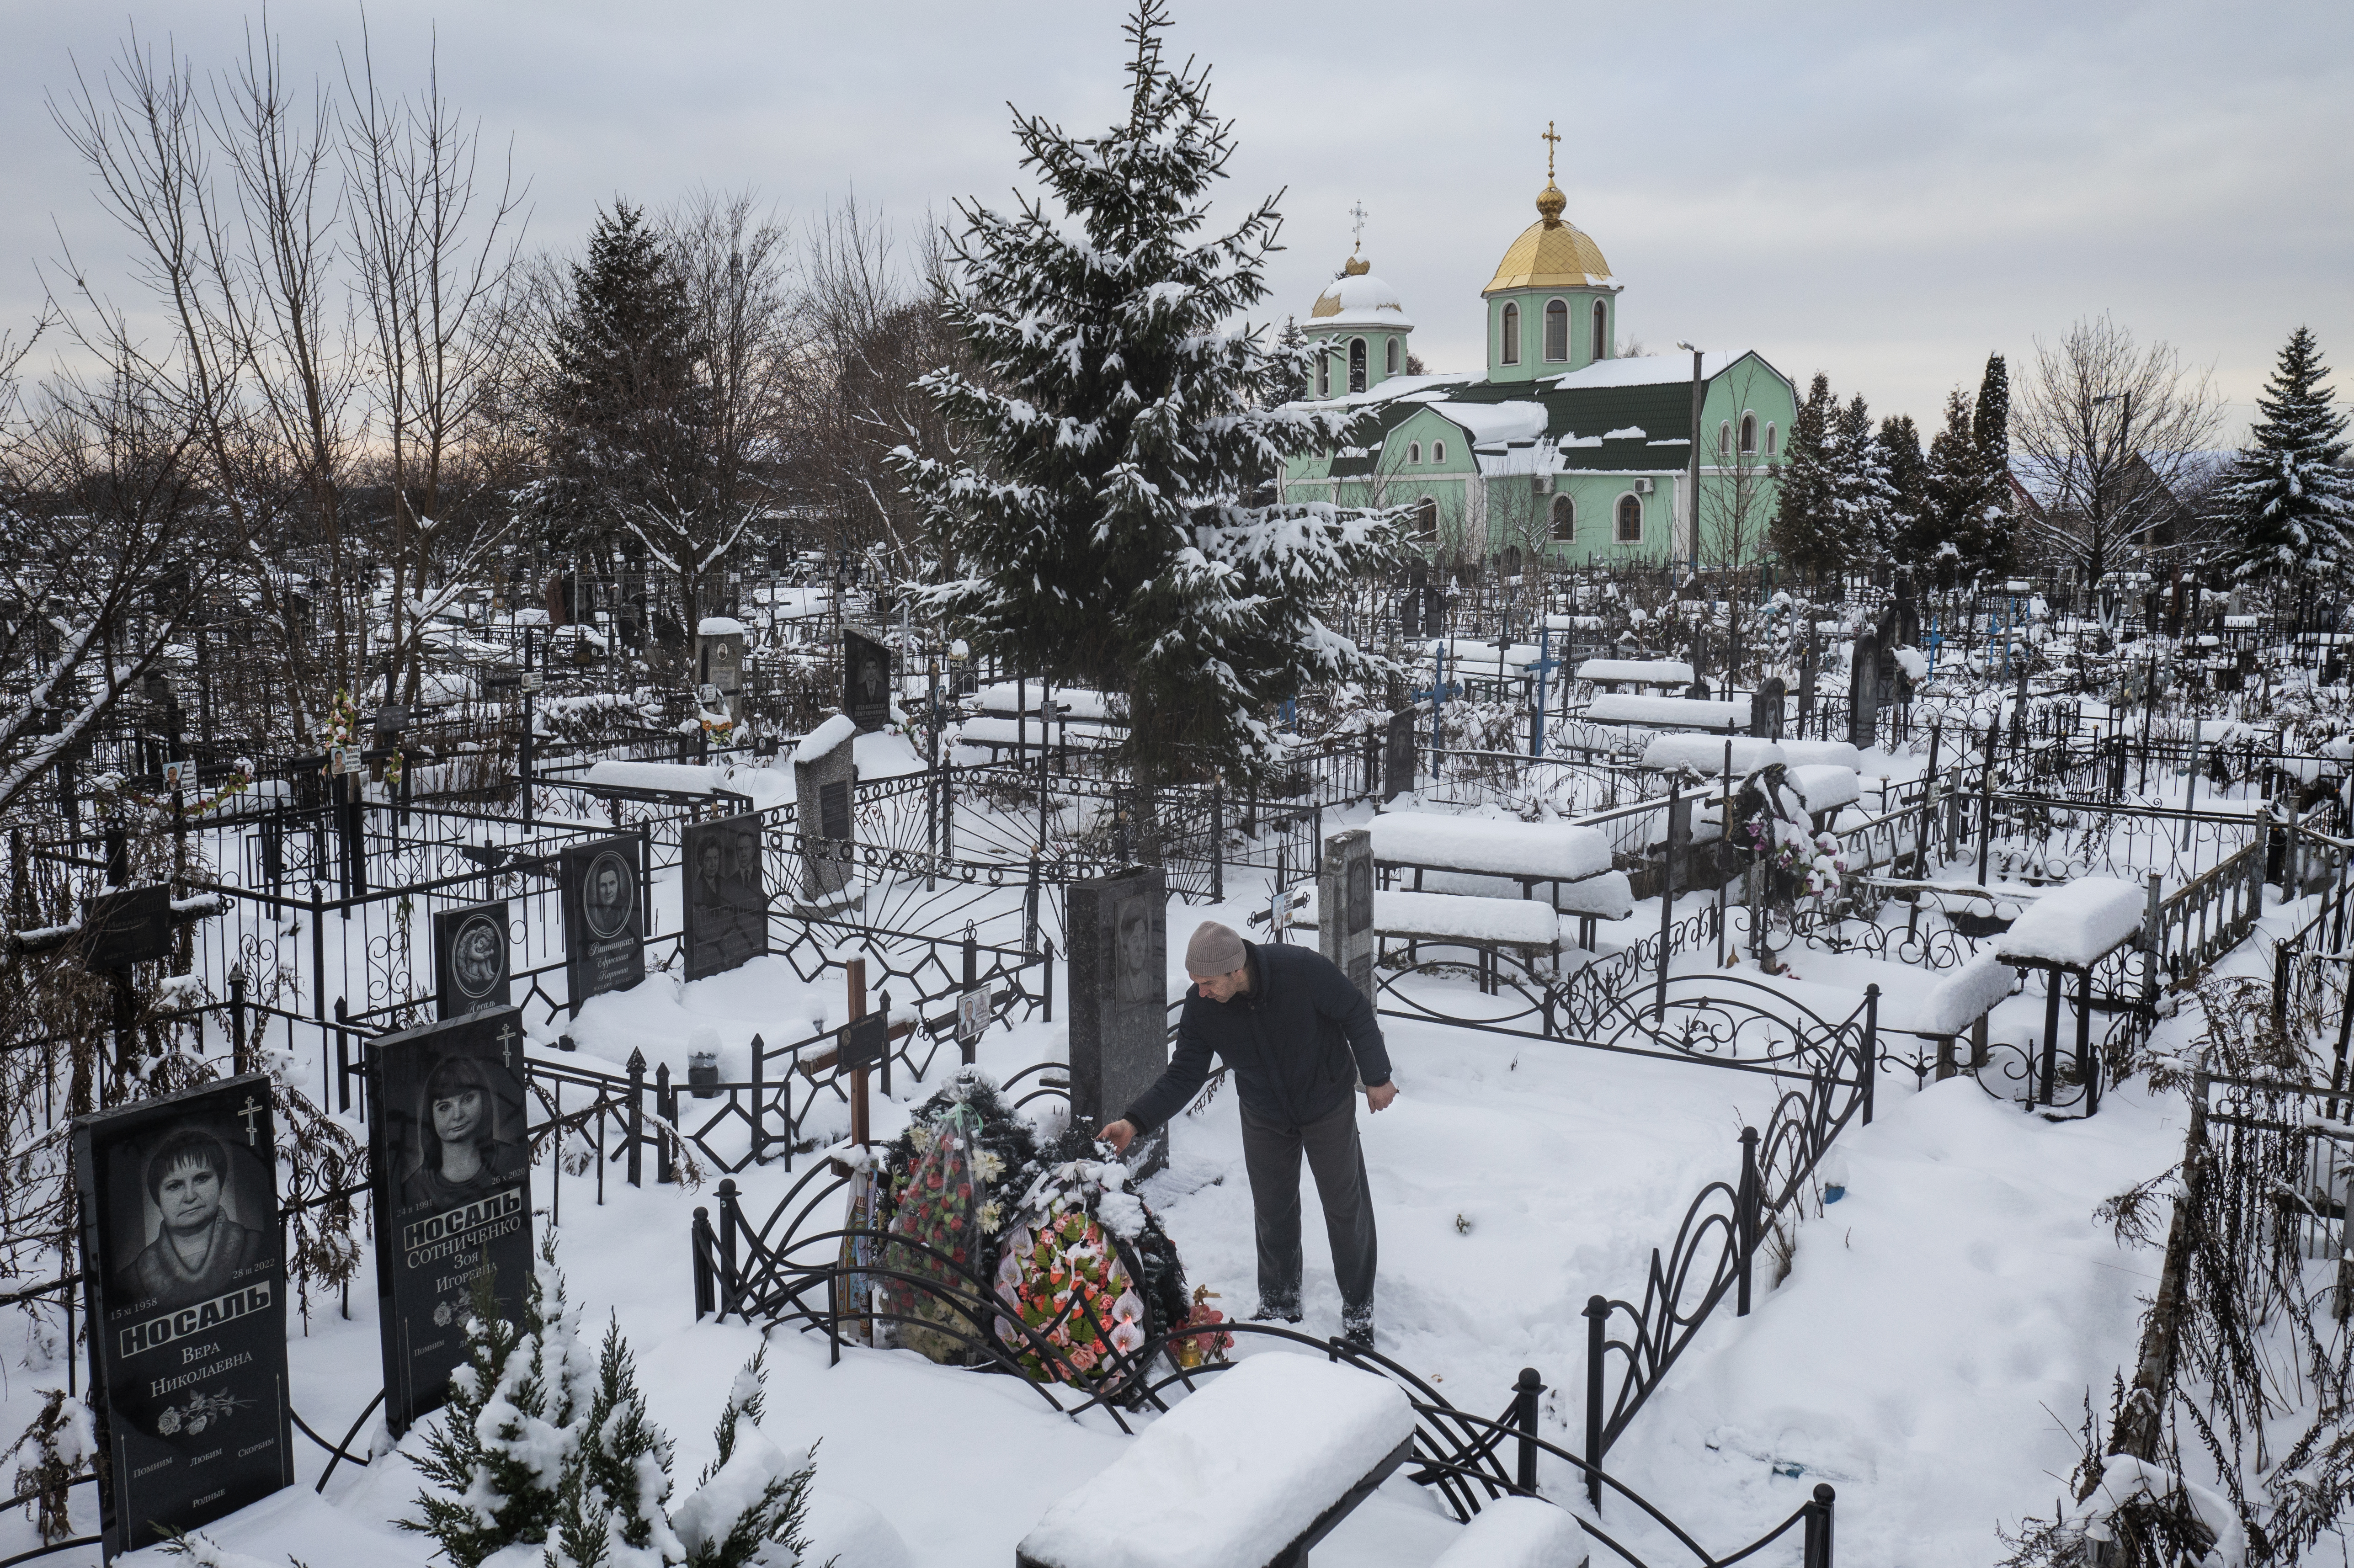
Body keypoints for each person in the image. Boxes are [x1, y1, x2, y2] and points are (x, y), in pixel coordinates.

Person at [1101, 920, 1396, 1351]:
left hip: (1325, 1099)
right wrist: (1135, 1122)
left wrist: (1377, 1075)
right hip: (1264, 1111)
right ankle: (1279, 1306)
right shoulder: (1203, 1007)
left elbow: (1353, 1010)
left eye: (1208, 982)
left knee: (1344, 1206)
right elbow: (1185, 1074)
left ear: (1236, 970)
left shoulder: (1300, 970)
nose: (1200, 992)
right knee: (1273, 1209)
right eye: (1196, 983)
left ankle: (1359, 1314)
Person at [116, 1127, 269, 1312]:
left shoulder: (259, 1246)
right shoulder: (130, 1280)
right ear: (158, 1200)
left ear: (220, 1186)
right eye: (175, 1186)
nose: (190, 1196)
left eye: (202, 1179)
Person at [401, 1054, 524, 1212]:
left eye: (467, 1099)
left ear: (484, 1099)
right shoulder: (414, 1189)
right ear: (430, 1116)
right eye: (445, 1107)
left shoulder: (512, 1159)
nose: (458, 1115)